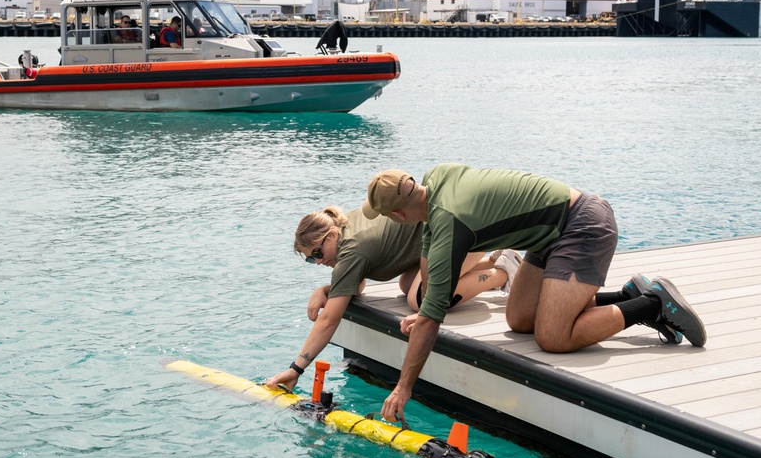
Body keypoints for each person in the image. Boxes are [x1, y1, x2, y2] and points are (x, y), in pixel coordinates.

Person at [360, 164, 707, 424]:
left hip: (582, 225)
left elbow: (434, 316)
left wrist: (404, 387)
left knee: (553, 336)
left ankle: (651, 304)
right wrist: (424, 311)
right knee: (519, 318)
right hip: (549, 235)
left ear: (397, 214)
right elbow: (429, 253)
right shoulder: (436, 180)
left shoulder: (450, 222)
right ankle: (626, 294)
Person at [264, 205, 522, 391]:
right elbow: (356, 285)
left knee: (421, 299)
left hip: (464, 232)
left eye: (317, 253)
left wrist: (296, 369)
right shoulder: (346, 231)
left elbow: (329, 320)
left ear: (331, 236)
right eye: (311, 259)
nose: (318, 262)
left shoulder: (352, 250)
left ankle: (500, 274)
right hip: (454, 231)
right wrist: (324, 290)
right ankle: (495, 260)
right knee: (408, 283)